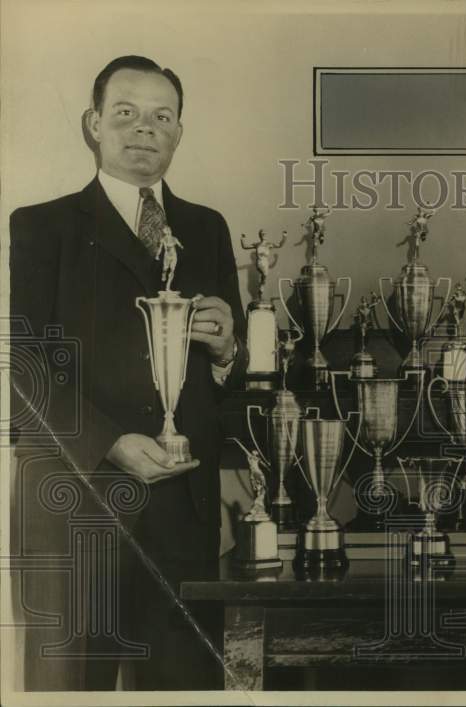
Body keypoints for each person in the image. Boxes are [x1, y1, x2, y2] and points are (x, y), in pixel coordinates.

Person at [9, 55, 247, 691]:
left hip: (182, 512)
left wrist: (227, 350)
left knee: (186, 690)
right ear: (93, 124)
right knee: (69, 692)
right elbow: (23, 373)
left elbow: (233, 368)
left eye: (161, 117)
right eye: (126, 114)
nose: (145, 130)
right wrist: (112, 443)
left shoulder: (207, 228)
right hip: (74, 506)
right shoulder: (41, 227)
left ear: (178, 132)